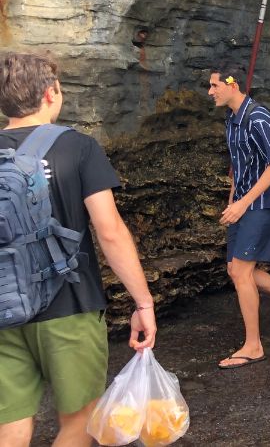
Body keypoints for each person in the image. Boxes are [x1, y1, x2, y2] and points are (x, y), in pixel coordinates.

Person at [0, 52, 157, 446]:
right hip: (68, 303)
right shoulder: (79, 148)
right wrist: (143, 303)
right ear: (51, 93)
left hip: (3, 306)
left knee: (10, 423)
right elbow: (110, 232)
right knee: (81, 420)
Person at [208, 64, 270, 369]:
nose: (210, 92)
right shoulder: (231, 120)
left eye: (215, 85)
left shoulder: (258, 117)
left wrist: (243, 204)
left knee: (241, 272)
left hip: (264, 203)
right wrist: (232, 203)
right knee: (235, 270)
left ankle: (253, 346)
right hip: (242, 204)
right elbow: (238, 168)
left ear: (233, 84)